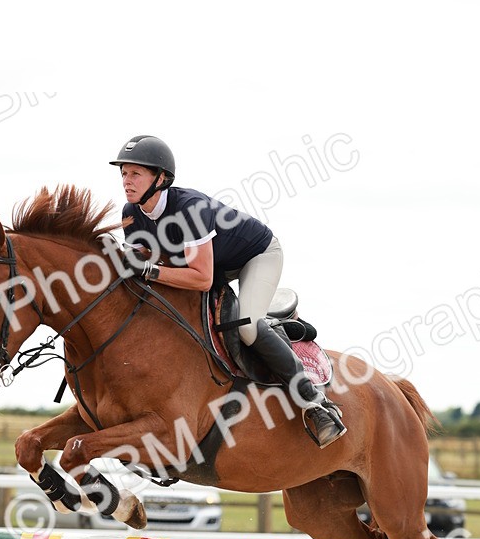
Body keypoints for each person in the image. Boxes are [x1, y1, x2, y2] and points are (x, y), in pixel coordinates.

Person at [110, 134, 346, 448]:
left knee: (247, 328)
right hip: (214, 263)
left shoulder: (189, 209)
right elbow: (140, 269)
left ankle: (315, 402)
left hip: (256, 256)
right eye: (123, 173)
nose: (127, 180)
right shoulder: (132, 213)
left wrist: (149, 270)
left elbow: (200, 279)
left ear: (161, 178)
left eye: (135, 173)